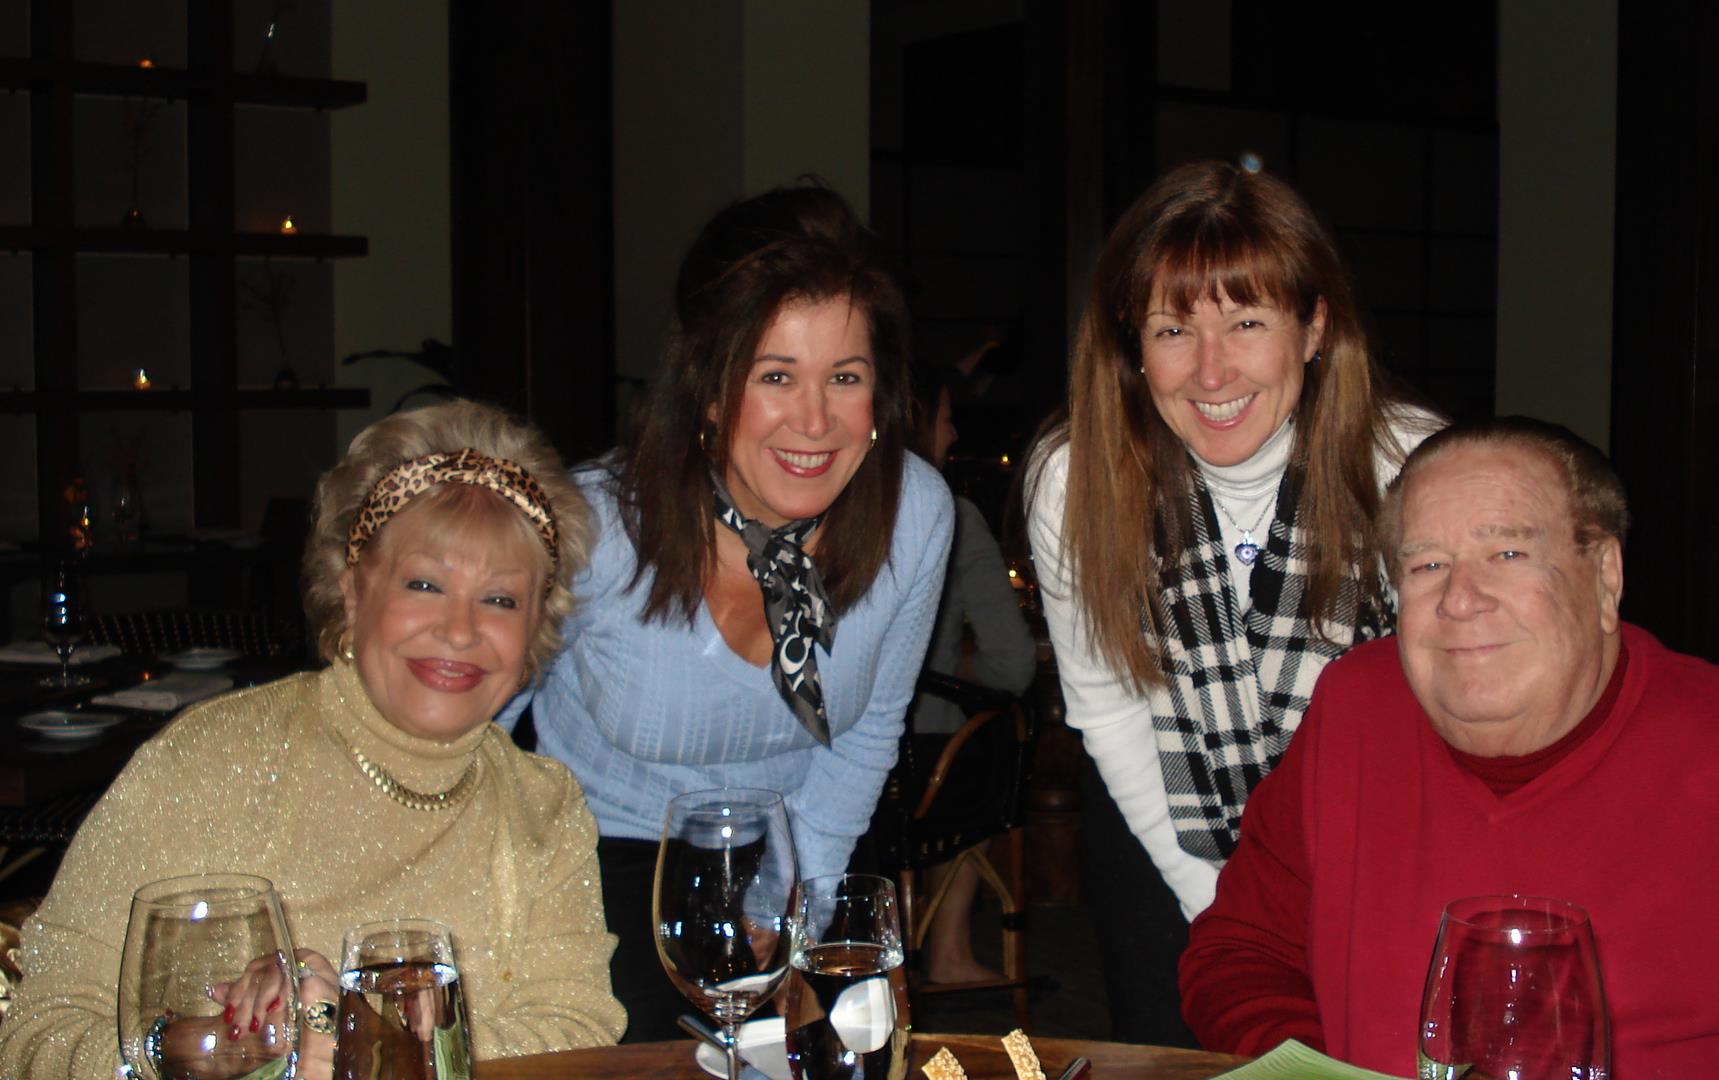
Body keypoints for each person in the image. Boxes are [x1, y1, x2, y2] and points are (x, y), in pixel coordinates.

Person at [1180, 416, 1719, 1075]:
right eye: (1426, 564)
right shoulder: (1354, 710)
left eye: (1507, 554)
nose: (1459, 599)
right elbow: (1238, 954)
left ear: (1605, 577)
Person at [0, 401, 625, 1079]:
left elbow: (580, 1034)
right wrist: (195, 1050)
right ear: (351, 590)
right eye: (424, 584)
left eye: (500, 599)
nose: (460, 629)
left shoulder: (544, 804)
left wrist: (374, 1038)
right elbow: (37, 1032)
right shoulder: (213, 760)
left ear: (538, 623)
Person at [508, 182, 953, 1040]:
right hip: (600, 863)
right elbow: (478, 724)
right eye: (776, 375)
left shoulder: (914, 515)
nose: (816, 420)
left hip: (802, 849)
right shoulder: (595, 528)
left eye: (846, 378)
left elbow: (867, 735)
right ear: (709, 390)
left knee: (850, 1056)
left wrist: (796, 909)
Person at [1024, 159, 1435, 1042]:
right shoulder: (1075, 480)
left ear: (1314, 326)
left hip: (1379, 844)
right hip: (1171, 825)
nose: (1211, 372)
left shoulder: (1410, 467)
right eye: (1174, 329)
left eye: (1247, 322)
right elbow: (1107, 709)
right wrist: (1228, 916)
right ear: (1133, 343)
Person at [906, 366, 1038, 985]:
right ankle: (950, 952)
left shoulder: (818, 509)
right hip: (926, 772)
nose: (954, 430)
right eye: (944, 415)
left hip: (839, 762)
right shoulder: (950, 516)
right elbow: (1012, 664)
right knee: (990, 740)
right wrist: (955, 667)